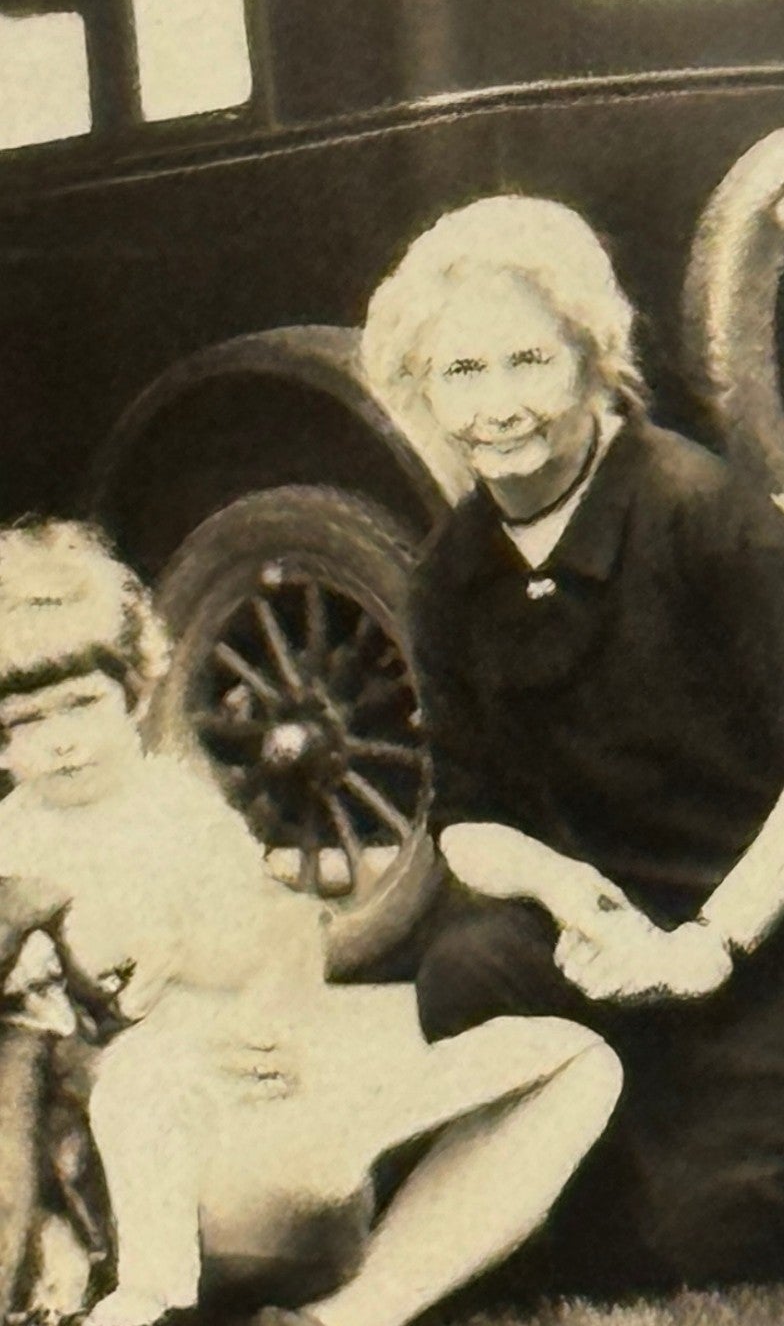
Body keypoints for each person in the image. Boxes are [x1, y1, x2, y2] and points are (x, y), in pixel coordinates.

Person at [360, 194, 784, 1293]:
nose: (498, 408)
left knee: (679, 1241)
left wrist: (708, 944)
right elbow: (470, 820)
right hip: (627, 932)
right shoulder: (448, 575)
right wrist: (570, 894)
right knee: (466, 971)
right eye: (461, 373)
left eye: (529, 361)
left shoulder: (703, 512)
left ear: (594, 363)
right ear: (420, 393)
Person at [0, 519, 622, 1326]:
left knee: (570, 1056)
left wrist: (240, 990)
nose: (61, 746)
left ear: (134, 690)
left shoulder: (181, 812)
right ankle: (150, 1296)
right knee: (140, 1076)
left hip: (251, 1100)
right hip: (131, 1153)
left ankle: (348, 1312)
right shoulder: (13, 842)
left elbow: (270, 941)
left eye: (80, 707)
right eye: (25, 725)